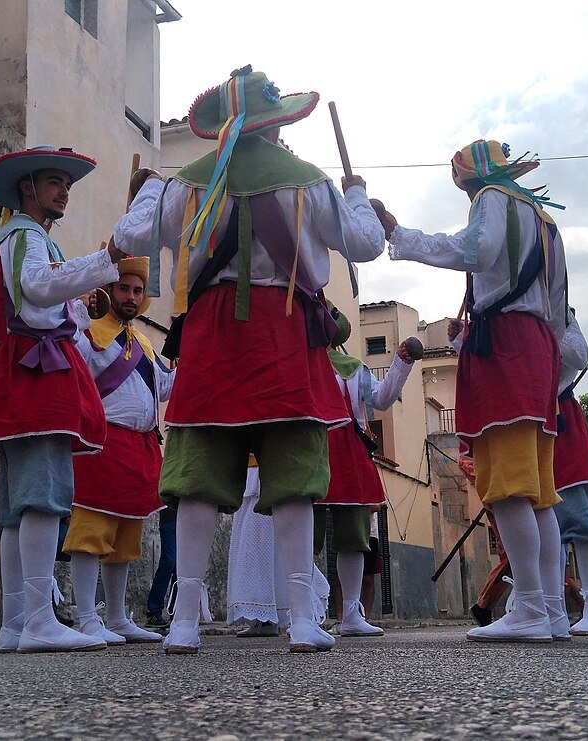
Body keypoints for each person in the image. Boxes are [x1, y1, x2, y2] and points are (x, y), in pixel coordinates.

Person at [113, 66, 386, 654]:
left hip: (212, 336)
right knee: (293, 477)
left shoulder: (184, 183)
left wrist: (143, 194)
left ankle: (184, 621)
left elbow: (131, 239)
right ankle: (303, 619)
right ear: (278, 128)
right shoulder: (308, 182)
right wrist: (358, 192)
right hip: (285, 331)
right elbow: (366, 244)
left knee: (197, 479)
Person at [379, 139, 569, 642]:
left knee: (508, 487)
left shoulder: (493, 199)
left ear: (469, 178)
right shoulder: (544, 218)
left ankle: (528, 607)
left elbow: (474, 249)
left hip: (504, 343)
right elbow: (557, 302)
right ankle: (550, 610)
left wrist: (403, 235)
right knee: (541, 496)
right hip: (539, 348)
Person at [0, 145, 122, 653]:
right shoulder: (28, 236)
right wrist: (105, 261)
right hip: (39, 371)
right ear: (27, 187)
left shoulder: (18, 237)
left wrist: (77, 302)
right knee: (43, 496)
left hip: (24, 367)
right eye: (55, 182)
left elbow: (39, 297)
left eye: (66, 184)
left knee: (16, 505)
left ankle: (16, 623)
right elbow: (37, 289)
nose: (64, 192)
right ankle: (37, 620)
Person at [64, 256, 175, 645]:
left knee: (127, 537)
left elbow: (164, 388)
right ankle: (85, 617)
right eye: (124, 289)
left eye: (137, 291)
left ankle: (115, 617)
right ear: (110, 291)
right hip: (103, 441)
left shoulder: (144, 341)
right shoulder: (90, 331)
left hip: (140, 446)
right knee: (90, 531)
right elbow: (74, 362)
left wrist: (191, 359)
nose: (130, 297)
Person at [318, 308, 416, 636]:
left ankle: (350, 616)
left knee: (354, 537)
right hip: (310, 451)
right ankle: (299, 615)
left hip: (350, 455)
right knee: (304, 537)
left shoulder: (354, 368)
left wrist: (402, 362)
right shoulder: (297, 361)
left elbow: (383, 399)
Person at [552, 313, 588, 636]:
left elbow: (577, 354)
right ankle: (552, 607)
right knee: (547, 526)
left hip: (561, 421)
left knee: (579, 521)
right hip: (529, 421)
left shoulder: (560, 311)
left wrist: (540, 326)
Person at [227, 460, 331, 636]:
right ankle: (264, 620)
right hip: (250, 468)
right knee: (252, 549)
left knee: (272, 546)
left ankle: (300, 615)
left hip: (272, 465)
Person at [144, 507, 176, 631]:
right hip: (170, 515)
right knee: (169, 562)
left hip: (187, 515)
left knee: (180, 567)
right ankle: (154, 612)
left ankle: (176, 612)